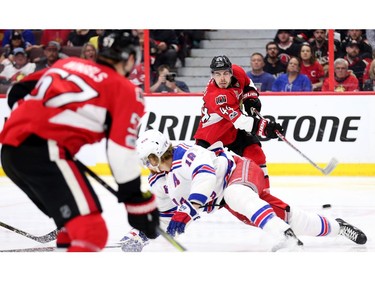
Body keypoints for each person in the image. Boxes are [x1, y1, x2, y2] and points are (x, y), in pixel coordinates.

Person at [0, 30, 159, 252]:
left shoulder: (69, 64)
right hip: (45, 151)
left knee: (71, 229)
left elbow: (16, 91)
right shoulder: (126, 90)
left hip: (10, 153)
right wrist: (138, 205)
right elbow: (120, 152)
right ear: (131, 58)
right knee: (91, 231)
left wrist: (31, 121)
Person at [120, 129, 367, 252]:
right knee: (291, 217)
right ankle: (338, 226)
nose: (147, 166)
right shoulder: (157, 182)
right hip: (231, 199)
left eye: (149, 159)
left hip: (238, 171)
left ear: (161, 151)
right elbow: (163, 215)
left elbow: (205, 177)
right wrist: (140, 236)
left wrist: (188, 209)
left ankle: (284, 236)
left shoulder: (186, 154)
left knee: (235, 195)